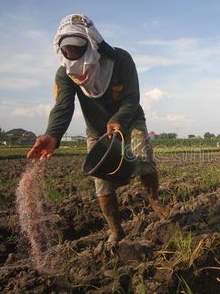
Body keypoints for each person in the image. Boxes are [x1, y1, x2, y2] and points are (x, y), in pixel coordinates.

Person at [27, 14, 169, 245]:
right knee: (100, 180)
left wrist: (118, 120)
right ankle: (116, 230)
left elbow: (132, 98)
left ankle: (155, 202)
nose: (72, 54)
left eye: (77, 48)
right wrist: (52, 134)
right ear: (60, 49)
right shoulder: (66, 74)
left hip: (130, 119)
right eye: (67, 50)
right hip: (97, 130)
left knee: (143, 159)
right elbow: (63, 106)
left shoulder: (120, 60)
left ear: (91, 43)